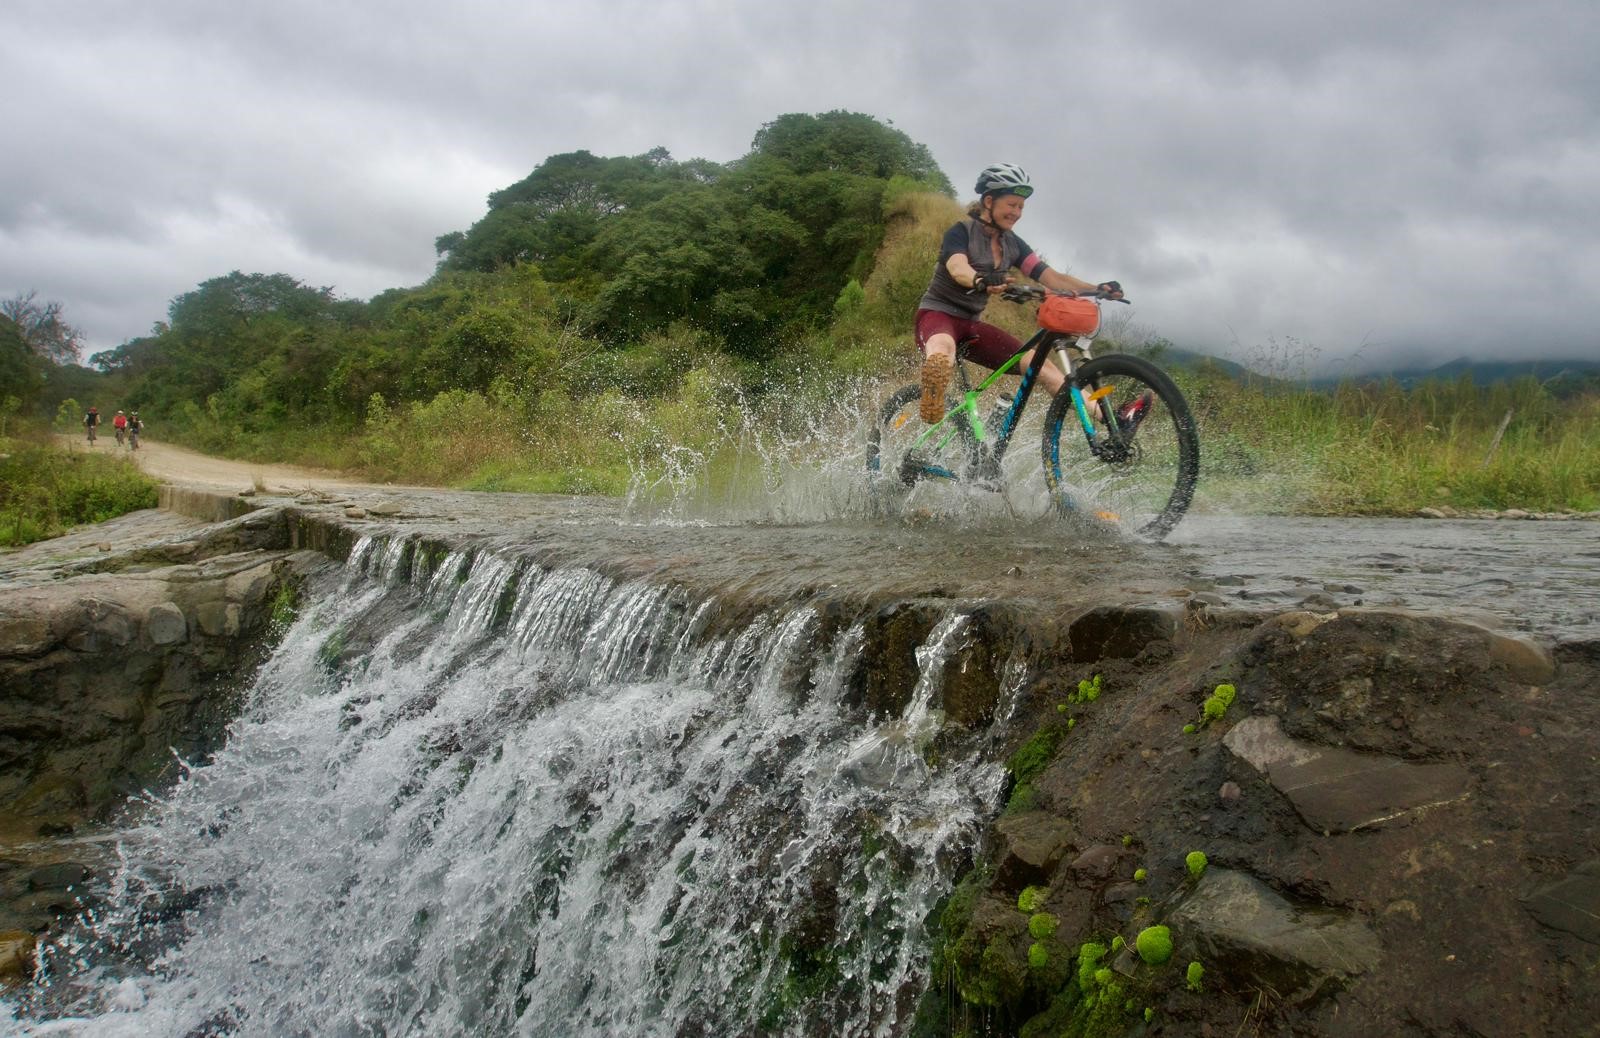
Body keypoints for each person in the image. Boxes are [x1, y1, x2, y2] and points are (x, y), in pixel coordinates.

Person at [914, 163, 1123, 423]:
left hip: (972, 325)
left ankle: (1108, 419)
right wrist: (979, 278)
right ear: (989, 201)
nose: (1017, 212)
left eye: (1021, 207)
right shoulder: (961, 232)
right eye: (1012, 205)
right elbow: (957, 268)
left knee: (1041, 365)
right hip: (937, 313)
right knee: (943, 350)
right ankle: (933, 394)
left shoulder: (1013, 244)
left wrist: (1097, 288)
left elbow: (1053, 278)